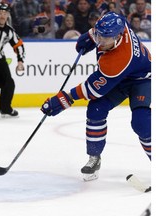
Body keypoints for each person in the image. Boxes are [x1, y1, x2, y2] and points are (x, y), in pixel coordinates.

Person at [40, 12, 151, 181]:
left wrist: (65, 99)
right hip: (120, 78)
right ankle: (94, 158)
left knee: (141, 123)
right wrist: (89, 37)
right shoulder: (114, 21)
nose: (100, 41)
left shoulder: (118, 60)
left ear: (118, 36)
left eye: (105, 39)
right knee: (95, 110)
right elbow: (100, 29)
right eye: (99, 36)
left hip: (141, 79)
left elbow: (91, 90)